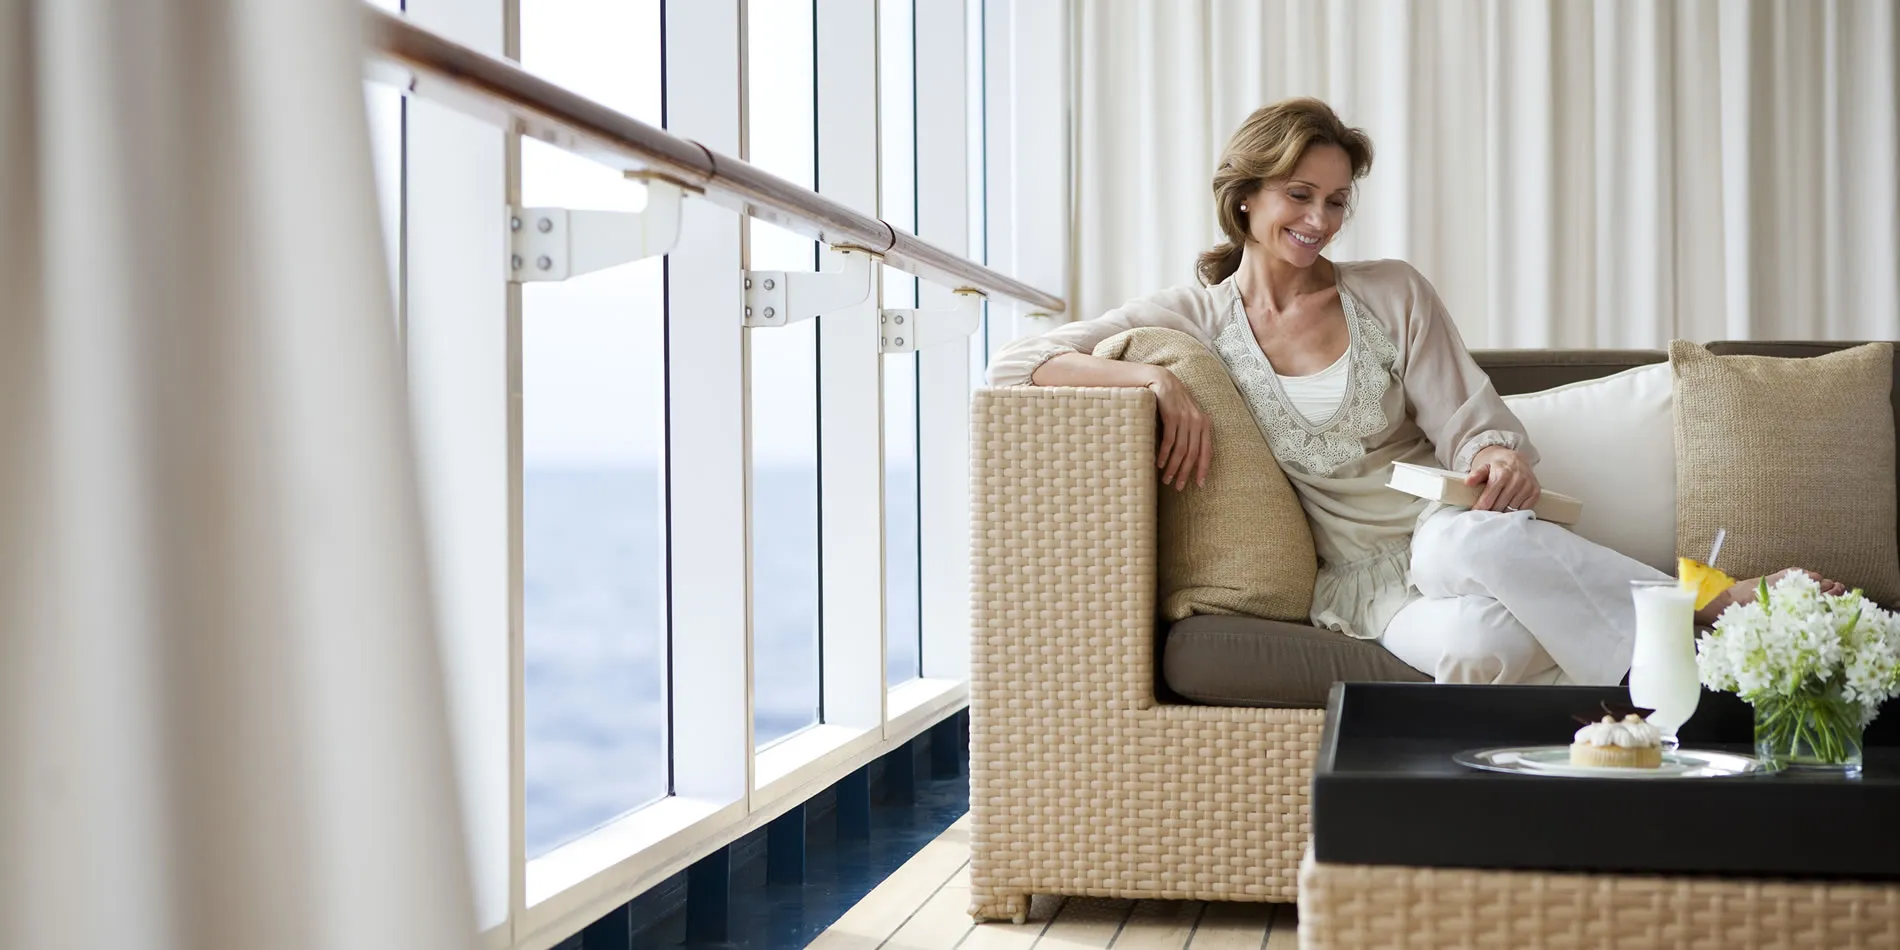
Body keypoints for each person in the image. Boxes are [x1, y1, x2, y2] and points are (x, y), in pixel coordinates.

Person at [986, 97, 1841, 685]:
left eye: (1336, 201)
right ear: (1244, 198)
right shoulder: (1193, 321)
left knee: (1468, 547)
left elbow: (1471, 421)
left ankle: (1706, 618)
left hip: (1451, 534)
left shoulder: (1390, 292)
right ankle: (1695, 653)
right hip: (1363, 583)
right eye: (1299, 196)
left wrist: (1495, 455)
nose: (1319, 220)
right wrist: (1146, 376)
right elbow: (1013, 367)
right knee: (1474, 652)